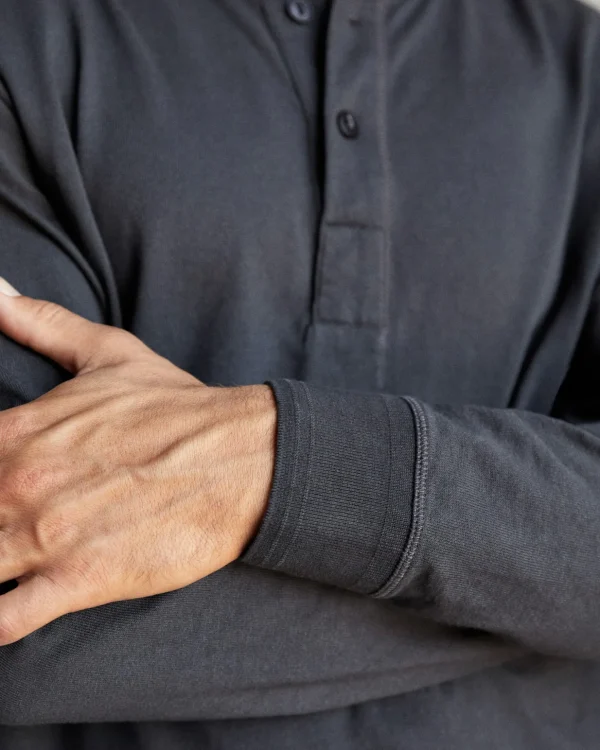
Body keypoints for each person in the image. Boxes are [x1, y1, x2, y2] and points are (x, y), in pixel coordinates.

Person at [0, 0, 599, 747]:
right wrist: (541, 590)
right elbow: (21, 600)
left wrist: (271, 463)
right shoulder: (25, 39)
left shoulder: (585, 65)